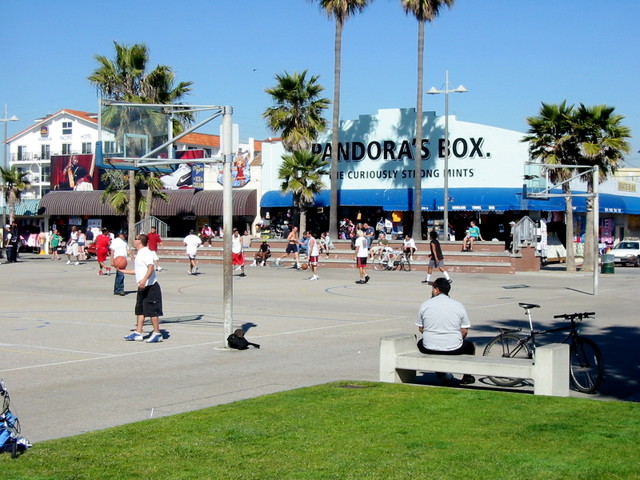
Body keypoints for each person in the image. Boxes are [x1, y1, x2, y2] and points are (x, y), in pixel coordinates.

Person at [415, 277, 476, 385]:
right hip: (454, 347)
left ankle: (442, 374)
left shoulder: (425, 305)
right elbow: (465, 330)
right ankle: (467, 376)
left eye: (433, 288)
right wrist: (456, 339)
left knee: (420, 344)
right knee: (470, 347)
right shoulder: (458, 305)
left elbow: (421, 328)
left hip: (429, 347)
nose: (432, 290)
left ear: (437, 290)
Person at [120, 234, 164, 343]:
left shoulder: (146, 252)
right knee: (140, 310)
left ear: (140, 241)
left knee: (152, 311)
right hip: (141, 287)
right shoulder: (139, 253)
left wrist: (144, 280)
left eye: (135, 239)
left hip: (151, 286)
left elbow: (151, 267)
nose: (134, 241)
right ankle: (138, 333)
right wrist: (124, 271)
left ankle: (157, 333)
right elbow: (138, 270)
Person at [110, 231, 132, 295]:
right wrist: (112, 260)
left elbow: (128, 251)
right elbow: (112, 251)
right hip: (118, 259)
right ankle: (120, 289)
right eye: (123, 235)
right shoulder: (116, 241)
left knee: (119, 275)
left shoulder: (125, 242)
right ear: (120, 235)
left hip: (123, 260)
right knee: (121, 274)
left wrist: (133, 259)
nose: (124, 236)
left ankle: (116, 289)